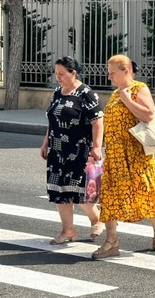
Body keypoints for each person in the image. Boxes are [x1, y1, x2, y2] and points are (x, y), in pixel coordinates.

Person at [93, 55, 155, 259]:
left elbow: (148, 115)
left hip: (135, 156)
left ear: (126, 71)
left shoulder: (138, 89)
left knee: (142, 194)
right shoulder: (115, 94)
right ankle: (112, 242)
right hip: (115, 156)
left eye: (112, 73)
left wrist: (127, 100)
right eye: (108, 73)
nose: (109, 77)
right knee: (108, 197)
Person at [39, 56, 105, 245]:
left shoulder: (86, 94)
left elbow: (98, 122)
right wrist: (45, 143)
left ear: (73, 73)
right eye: (56, 73)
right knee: (60, 191)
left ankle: (96, 218)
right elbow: (52, 121)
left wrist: (97, 146)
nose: (57, 77)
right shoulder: (58, 93)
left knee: (81, 192)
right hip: (57, 150)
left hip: (80, 150)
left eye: (61, 74)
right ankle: (68, 230)